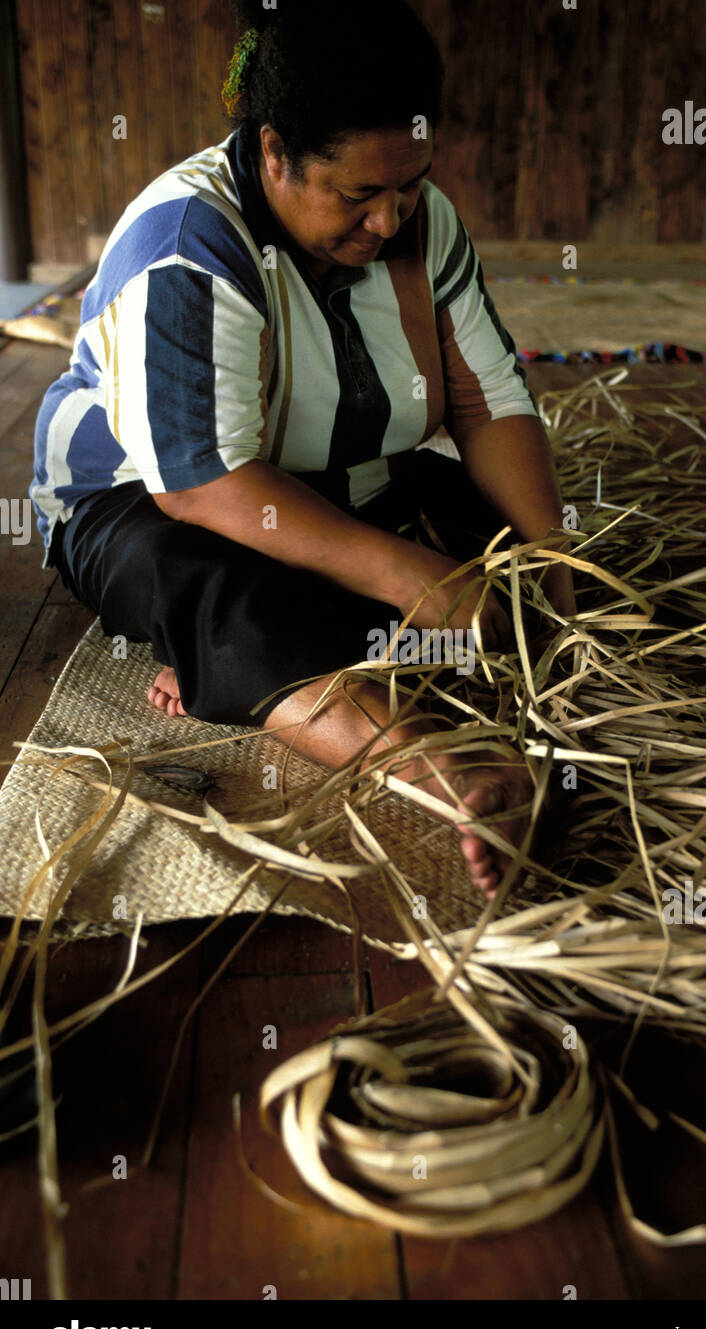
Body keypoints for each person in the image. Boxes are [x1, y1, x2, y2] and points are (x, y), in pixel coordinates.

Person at [29, 0, 575, 902]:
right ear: (274, 152)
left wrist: (550, 558)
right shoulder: (188, 245)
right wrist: (415, 580)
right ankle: (447, 769)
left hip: (342, 485)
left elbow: (486, 401)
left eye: (411, 183)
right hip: (153, 506)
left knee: (494, 536)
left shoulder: (420, 221)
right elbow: (204, 486)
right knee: (218, 588)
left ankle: (246, 672)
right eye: (359, 195)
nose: (393, 219)